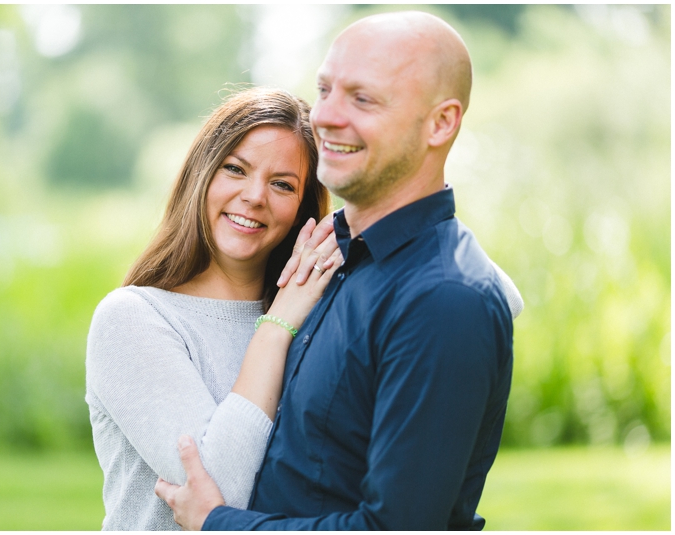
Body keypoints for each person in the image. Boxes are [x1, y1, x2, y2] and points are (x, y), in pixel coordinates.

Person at [155, 11, 516, 530]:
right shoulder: (324, 260)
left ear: (441, 123)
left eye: (362, 99)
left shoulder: (446, 298)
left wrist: (220, 524)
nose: (325, 117)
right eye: (325, 90)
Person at [85, 87, 343, 530]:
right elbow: (219, 496)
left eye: (282, 184)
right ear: (201, 175)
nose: (255, 196)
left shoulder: (318, 311)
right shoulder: (132, 318)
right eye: (236, 169)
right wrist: (276, 327)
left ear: (303, 209)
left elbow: (487, 294)